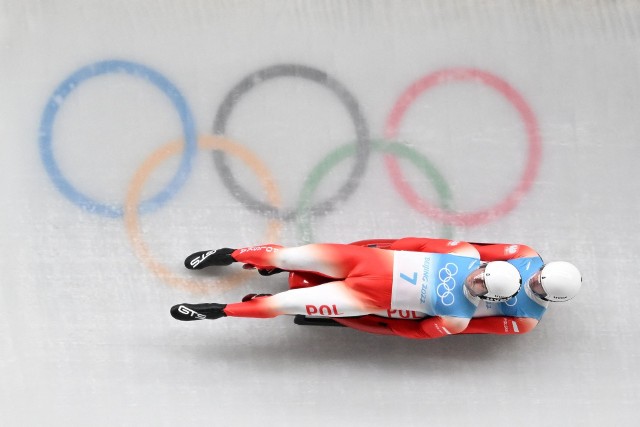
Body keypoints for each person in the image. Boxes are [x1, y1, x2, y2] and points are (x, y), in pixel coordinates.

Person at [170, 238, 522, 339]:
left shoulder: (458, 318)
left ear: (487, 298)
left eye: (480, 286)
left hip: (360, 299)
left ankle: (217, 311)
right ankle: (228, 254)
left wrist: (378, 318)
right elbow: (413, 243)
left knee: (284, 304)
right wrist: (379, 250)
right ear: (486, 266)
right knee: (290, 255)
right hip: (363, 263)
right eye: (482, 273)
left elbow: (412, 331)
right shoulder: (463, 253)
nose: (475, 279)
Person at [328, 241, 582, 337]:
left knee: (413, 316)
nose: (533, 282)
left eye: (539, 287)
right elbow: (472, 251)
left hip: (444, 307)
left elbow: (472, 328)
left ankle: (361, 308)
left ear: (550, 298)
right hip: (450, 275)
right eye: (539, 276)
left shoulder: (526, 321)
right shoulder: (524, 254)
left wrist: (403, 329)